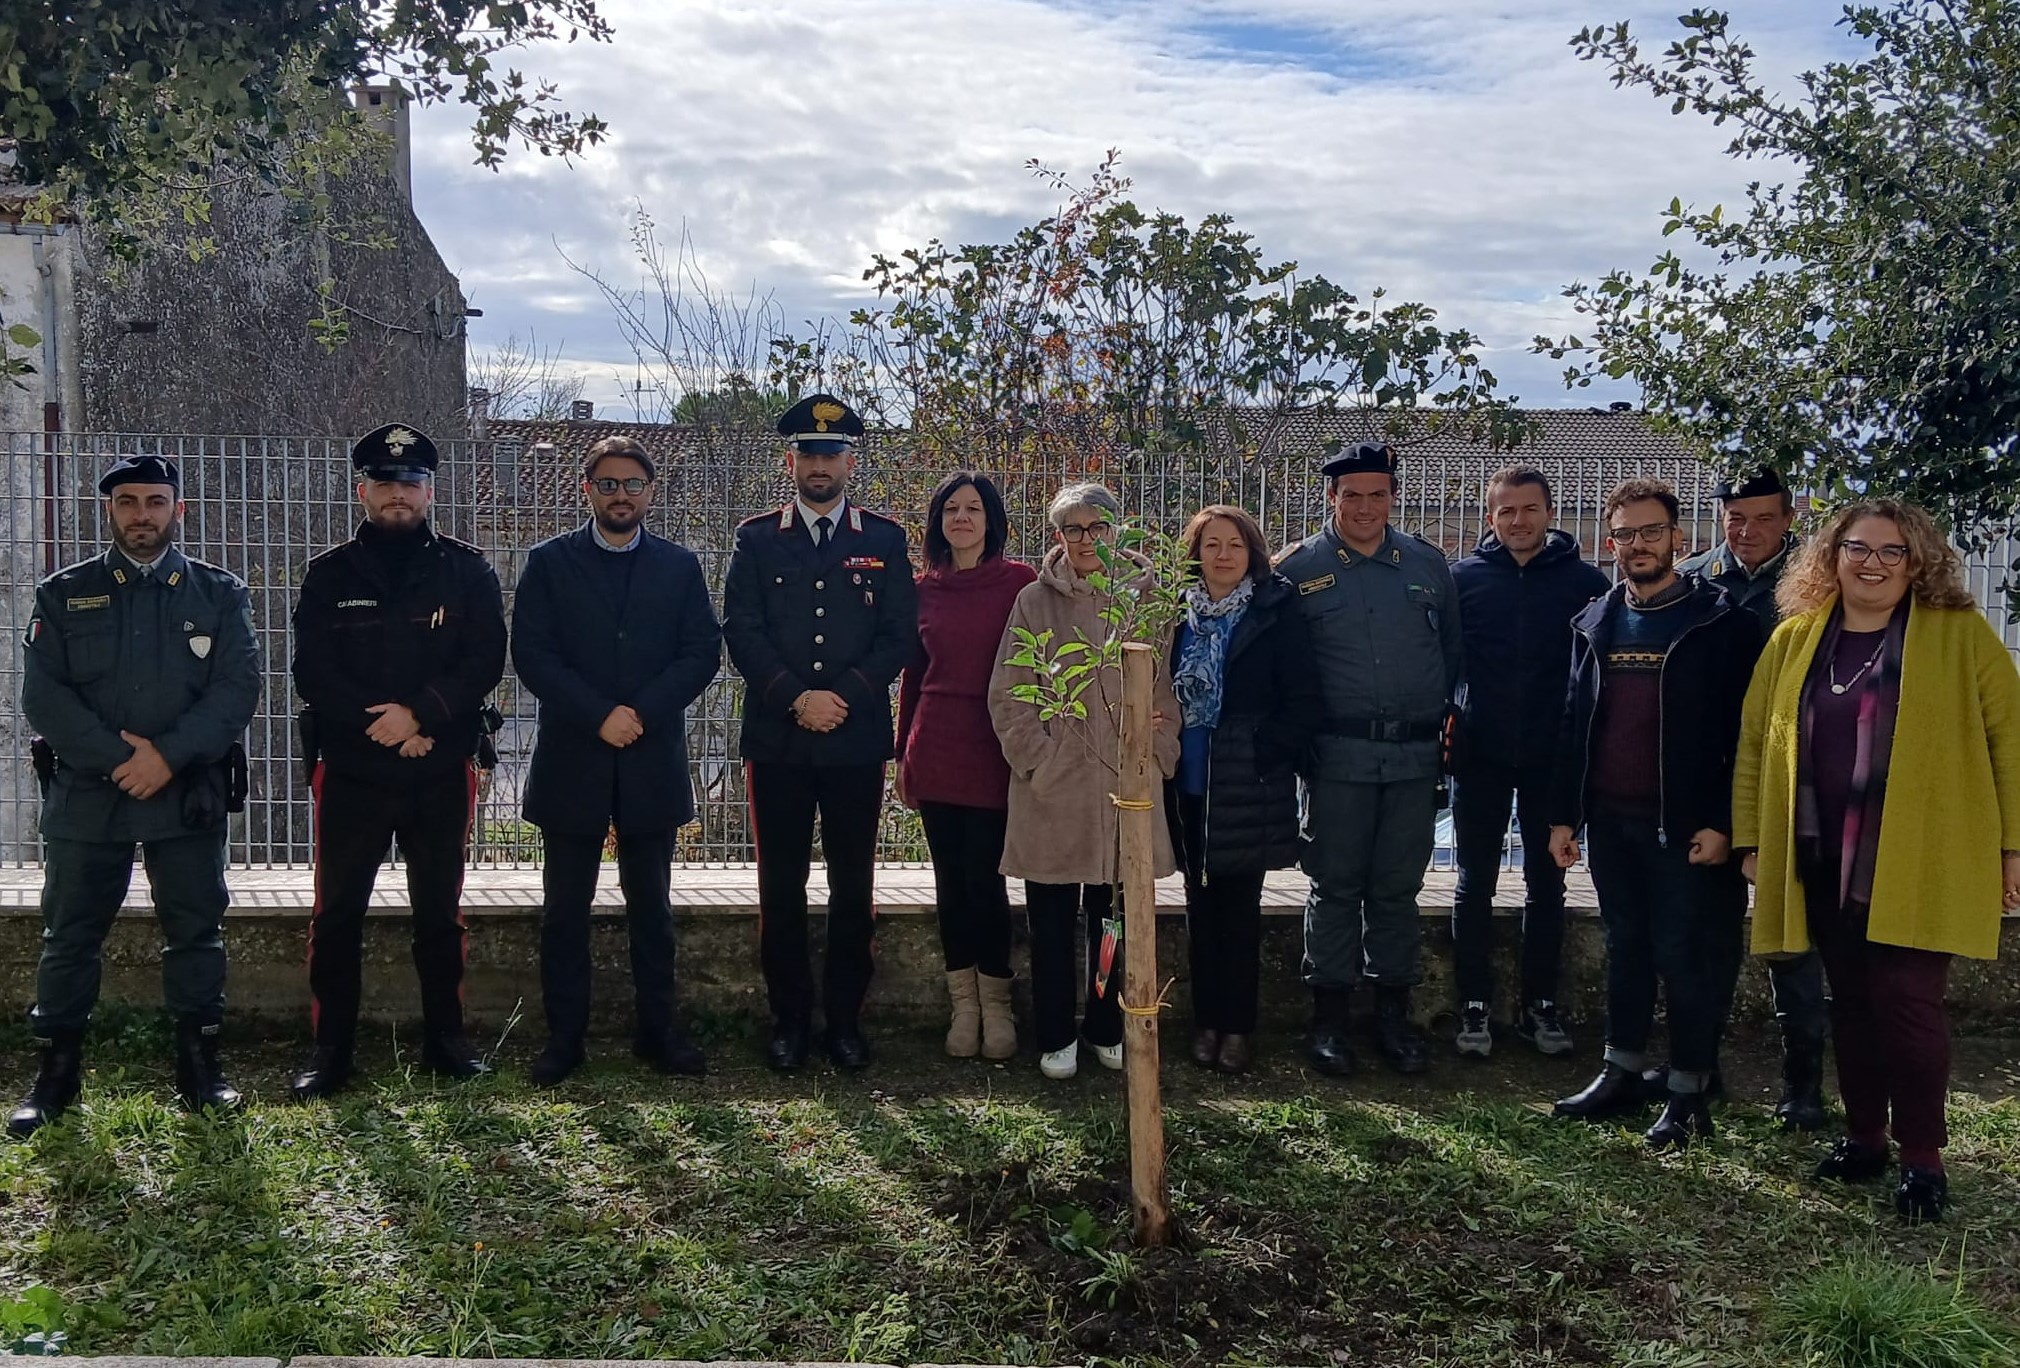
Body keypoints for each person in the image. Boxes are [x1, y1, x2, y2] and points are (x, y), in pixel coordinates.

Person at [1733, 498, 2020, 1222]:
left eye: (1893, 551)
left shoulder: (1960, 636)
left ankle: (1923, 1157)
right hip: (1820, 853)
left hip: (1924, 855)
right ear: (1831, 557)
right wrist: (1752, 839)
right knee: (1851, 1003)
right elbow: (1752, 746)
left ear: (1918, 562)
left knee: (1909, 1005)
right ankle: (1866, 1138)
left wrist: (2014, 847)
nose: (1874, 563)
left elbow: (2010, 743)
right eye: (1859, 548)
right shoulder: (1794, 639)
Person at [10, 455, 261, 1136]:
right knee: (69, 937)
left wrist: (168, 757)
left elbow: (237, 690)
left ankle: (199, 1069)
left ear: (178, 509)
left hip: (186, 796)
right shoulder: (64, 594)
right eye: (128, 502)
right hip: (90, 796)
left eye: (155, 501)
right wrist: (125, 760)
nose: (142, 514)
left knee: (196, 930)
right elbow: (43, 697)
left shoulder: (218, 593)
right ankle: (56, 1076)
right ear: (111, 511)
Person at [289, 423, 507, 1101]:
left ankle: (446, 1040)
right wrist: (380, 727)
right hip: (353, 768)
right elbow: (313, 671)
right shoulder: (328, 575)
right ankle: (332, 1051)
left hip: (439, 767)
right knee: (336, 916)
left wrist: (418, 718)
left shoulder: (467, 570)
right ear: (363, 489)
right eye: (384, 483)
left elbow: (481, 665)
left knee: (439, 915)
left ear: (429, 491)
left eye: (410, 483)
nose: (397, 495)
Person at [1548, 478, 1761, 1150]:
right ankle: (1621, 1071)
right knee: (1627, 949)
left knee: (1687, 956)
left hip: (1690, 829)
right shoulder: (1593, 622)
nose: (1637, 545)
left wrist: (1727, 822)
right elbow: (1572, 724)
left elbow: (1748, 737)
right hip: (1613, 822)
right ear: (1609, 544)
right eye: (1624, 534)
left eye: (1650, 531)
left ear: (1679, 538)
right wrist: (1564, 817)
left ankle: (1690, 1092)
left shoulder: (1725, 624)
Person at [511, 435, 723, 1086]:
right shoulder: (548, 563)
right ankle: (564, 1041)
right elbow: (534, 653)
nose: (621, 494)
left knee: (652, 910)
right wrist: (598, 713)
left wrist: (642, 712)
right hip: (575, 755)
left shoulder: (679, 566)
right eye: (608, 484)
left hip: (650, 755)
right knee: (564, 912)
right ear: (588, 492)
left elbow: (699, 653)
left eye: (633, 484)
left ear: (651, 493)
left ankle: (659, 1035)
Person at [723, 394, 918, 1072]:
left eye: (831, 454)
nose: (820, 465)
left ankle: (844, 1021)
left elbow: (897, 636)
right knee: (779, 887)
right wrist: (796, 698)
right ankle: (788, 1021)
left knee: (852, 887)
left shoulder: (884, 540)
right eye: (809, 453)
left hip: (854, 739)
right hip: (778, 740)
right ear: (791, 462)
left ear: (849, 463)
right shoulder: (756, 538)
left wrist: (841, 698)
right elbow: (740, 631)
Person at [1277, 441, 1462, 1076]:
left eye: (1376, 494)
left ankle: (1393, 1015)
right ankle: (1328, 1020)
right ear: (1331, 498)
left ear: (1391, 497)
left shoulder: (1427, 565)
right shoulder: (1297, 570)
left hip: (1413, 758)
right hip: (1337, 757)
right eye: (1350, 495)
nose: (1364, 506)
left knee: (1396, 890)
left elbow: (1454, 658)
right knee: (1334, 885)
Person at [988, 483, 1181, 1080]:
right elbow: (1007, 694)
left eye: (1098, 528)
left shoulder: (1149, 602)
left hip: (1127, 788)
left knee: (1113, 921)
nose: (1086, 540)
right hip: (1055, 793)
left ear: (1119, 532)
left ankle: (1103, 1027)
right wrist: (1041, 760)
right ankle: (1053, 1034)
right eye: (1073, 529)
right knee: (1049, 924)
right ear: (1057, 537)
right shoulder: (1032, 602)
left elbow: (1168, 692)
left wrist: (1160, 752)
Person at [1679, 466, 1828, 1130]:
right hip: (1711, 778)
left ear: (1790, 518)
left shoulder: (1820, 584)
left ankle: (1803, 1086)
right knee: (1704, 937)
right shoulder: (1695, 577)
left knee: (1792, 940)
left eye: (1764, 518)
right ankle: (1698, 1069)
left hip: (1791, 775)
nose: (1749, 531)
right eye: (1736, 518)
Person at [1448, 464, 1608, 1059]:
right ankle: (1473, 1004)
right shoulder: (1462, 579)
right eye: (1506, 511)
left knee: (1548, 886)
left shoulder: (1586, 583)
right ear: (1492, 517)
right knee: (1474, 884)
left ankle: (1542, 1005)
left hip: (1554, 760)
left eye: (1529, 509)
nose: (1518, 521)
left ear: (1549, 514)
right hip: (1480, 756)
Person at [1164, 504, 1323, 1074]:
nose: (1223, 555)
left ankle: (1237, 1029)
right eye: (1211, 545)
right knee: (1198, 909)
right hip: (1188, 778)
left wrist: (1263, 752)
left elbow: (1303, 697)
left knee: (1240, 911)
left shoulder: (1274, 611)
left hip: (1248, 778)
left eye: (1234, 544)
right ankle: (1204, 1023)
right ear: (1196, 554)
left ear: (1251, 552)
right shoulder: (1172, 615)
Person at [895, 471, 1035, 1060]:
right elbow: (911, 676)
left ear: (992, 520)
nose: (961, 518)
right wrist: (902, 753)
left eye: (973, 508)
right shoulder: (921, 589)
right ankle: (964, 1006)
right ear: (937, 522)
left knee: (989, 883)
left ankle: (998, 1006)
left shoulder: (1020, 584)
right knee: (951, 884)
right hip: (938, 748)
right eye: (950, 509)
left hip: (997, 747)